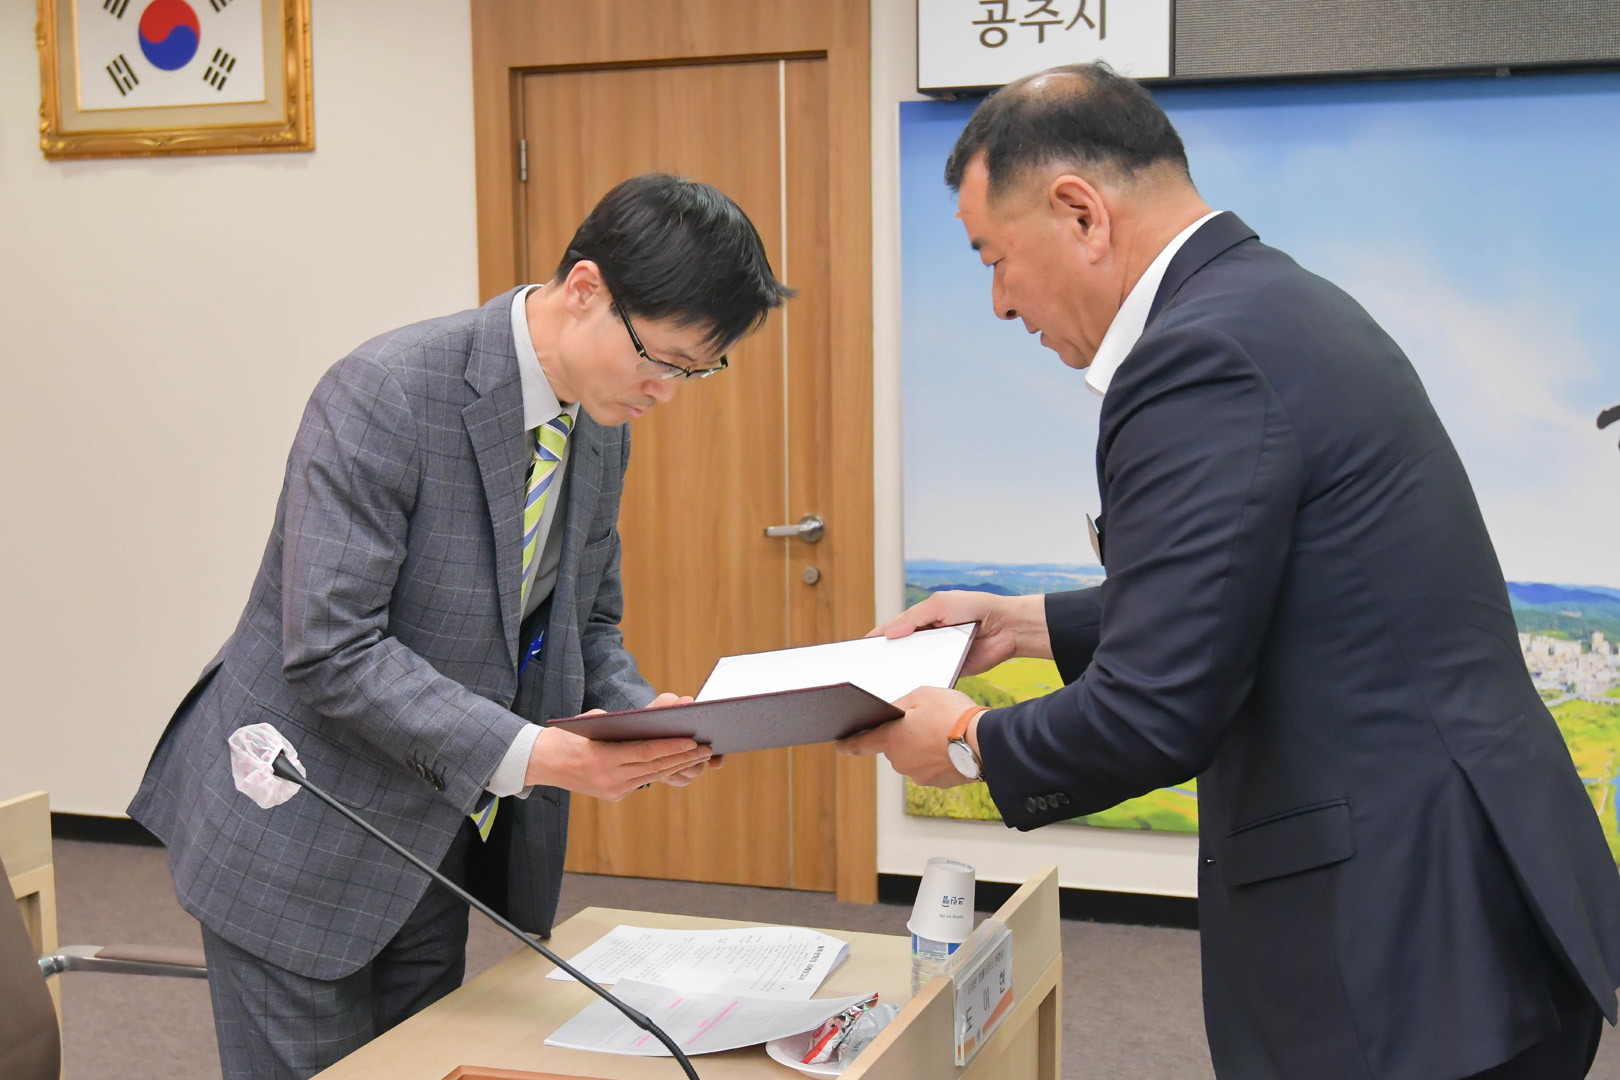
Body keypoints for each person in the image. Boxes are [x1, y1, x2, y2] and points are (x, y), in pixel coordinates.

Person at [838, 64, 1620, 1079]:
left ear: (1080, 213)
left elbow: (1154, 712)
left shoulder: (1195, 358)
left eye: (995, 257)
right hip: (1471, 906)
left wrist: (968, 742)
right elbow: (1272, 583)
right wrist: (1024, 623)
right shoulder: (1281, 304)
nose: (997, 303)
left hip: (1399, 950)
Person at [129, 173, 792, 1079]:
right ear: (586, 289)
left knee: (423, 1065)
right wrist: (538, 753)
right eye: (664, 359)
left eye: (695, 372)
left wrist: (642, 717)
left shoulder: (602, 424)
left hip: (434, 830)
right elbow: (332, 650)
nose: (667, 391)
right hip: (299, 828)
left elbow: (583, 620)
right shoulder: (387, 392)